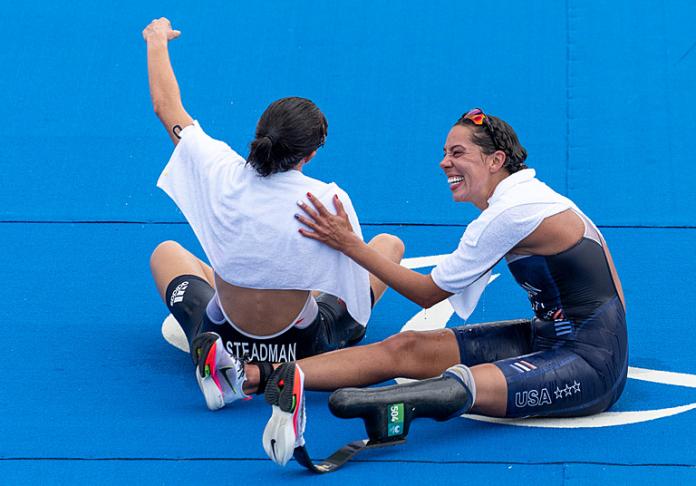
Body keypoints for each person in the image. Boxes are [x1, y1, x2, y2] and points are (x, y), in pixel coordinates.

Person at [197, 107, 628, 466]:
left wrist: (348, 243)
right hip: (551, 339)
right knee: (404, 348)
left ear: (496, 161)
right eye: (444, 152)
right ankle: (255, 377)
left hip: (592, 367)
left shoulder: (510, 214)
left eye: (458, 153)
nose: (444, 162)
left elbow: (426, 293)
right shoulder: (532, 198)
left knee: (464, 382)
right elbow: (611, 291)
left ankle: (392, 405)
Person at [142, 18, 404, 412]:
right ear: (311, 153)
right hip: (305, 343)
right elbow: (352, 289)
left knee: (166, 252)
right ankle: (280, 363)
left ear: (259, 135)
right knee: (388, 245)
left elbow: (167, 108)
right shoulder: (327, 199)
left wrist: (156, 39)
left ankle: (216, 355)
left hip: (224, 331)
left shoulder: (217, 168)